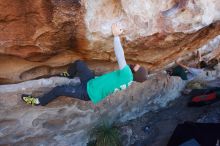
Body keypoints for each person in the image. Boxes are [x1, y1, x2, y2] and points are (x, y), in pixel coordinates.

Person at [21, 23, 148, 106]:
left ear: (136, 73)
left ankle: (39, 101)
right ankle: (70, 75)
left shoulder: (127, 75)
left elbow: (120, 55)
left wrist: (116, 36)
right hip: (91, 82)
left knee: (59, 90)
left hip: (87, 92)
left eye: (137, 67)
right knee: (79, 64)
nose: (136, 64)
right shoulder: (129, 80)